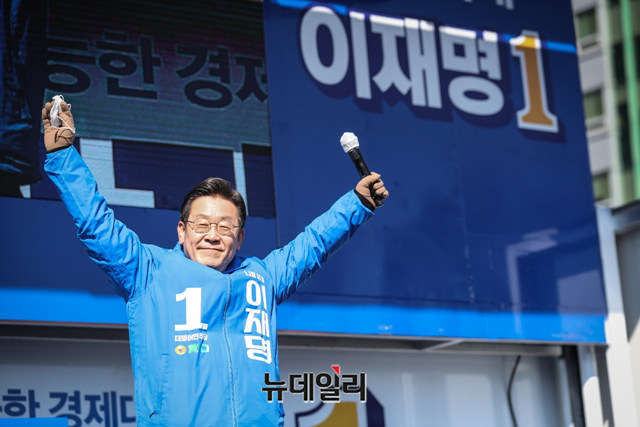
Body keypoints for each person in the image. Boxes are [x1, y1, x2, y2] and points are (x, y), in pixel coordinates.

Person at [41, 100, 389, 426]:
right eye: (202, 224)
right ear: (181, 230)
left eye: (225, 227)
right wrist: (63, 155)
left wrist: (357, 203)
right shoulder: (148, 272)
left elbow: (312, 245)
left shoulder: (262, 277)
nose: (212, 235)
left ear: (240, 237)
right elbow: (96, 224)